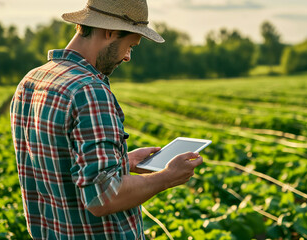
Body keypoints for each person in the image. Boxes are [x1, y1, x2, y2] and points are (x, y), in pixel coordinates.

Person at [10, 0, 203, 239]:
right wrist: (166, 177)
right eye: (129, 45)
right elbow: (102, 197)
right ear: (109, 32)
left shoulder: (32, 81)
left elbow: (59, 164)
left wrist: (125, 161)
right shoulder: (89, 90)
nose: (127, 57)